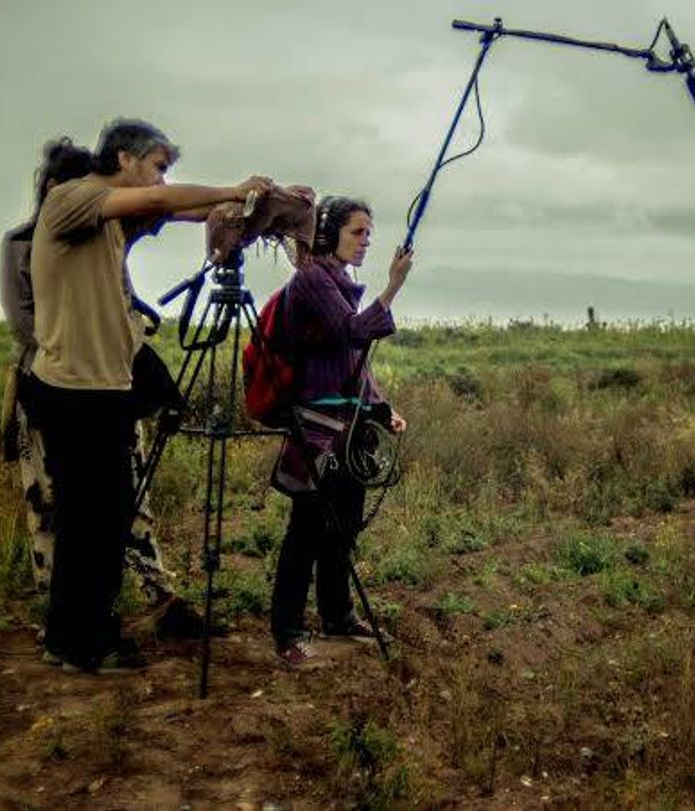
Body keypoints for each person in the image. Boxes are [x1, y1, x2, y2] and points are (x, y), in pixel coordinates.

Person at [25, 117, 273, 674]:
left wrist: (253, 207)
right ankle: (86, 642)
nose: (163, 180)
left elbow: (176, 208)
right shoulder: (73, 197)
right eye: (158, 167)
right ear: (124, 161)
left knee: (100, 521)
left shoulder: (111, 219)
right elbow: (168, 200)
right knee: (95, 522)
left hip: (103, 391)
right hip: (73, 392)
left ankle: (72, 639)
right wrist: (235, 188)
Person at [0, 138, 191, 630]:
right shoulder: (38, 229)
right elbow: (26, 324)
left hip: (105, 383)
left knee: (109, 512)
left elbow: (162, 215)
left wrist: (241, 207)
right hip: (63, 381)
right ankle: (73, 627)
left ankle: (84, 625)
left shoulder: (106, 234)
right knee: (64, 511)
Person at [269, 195, 412, 666]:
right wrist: (392, 288)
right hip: (317, 429)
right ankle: (287, 631)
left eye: (369, 233)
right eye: (357, 232)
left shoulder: (341, 282)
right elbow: (353, 332)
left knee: (343, 527)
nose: (365, 241)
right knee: (306, 530)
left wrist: (380, 408)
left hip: (351, 429)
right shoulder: (311, 280)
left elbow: (353, 363)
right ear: (329, 234)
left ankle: (337, 615)